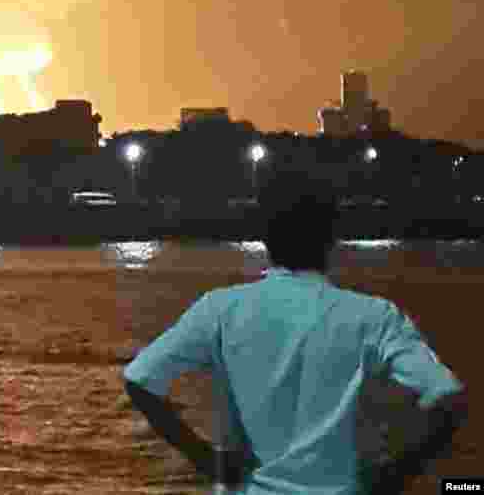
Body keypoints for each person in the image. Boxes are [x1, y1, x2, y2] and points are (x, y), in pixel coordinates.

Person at [122, 167, 470, 494]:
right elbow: (448, 399)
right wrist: (394, 476)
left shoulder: (221, 309)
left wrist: (205, 459)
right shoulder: (375, 317)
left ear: (265, 235)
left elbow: (140, 380)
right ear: (331, 234)